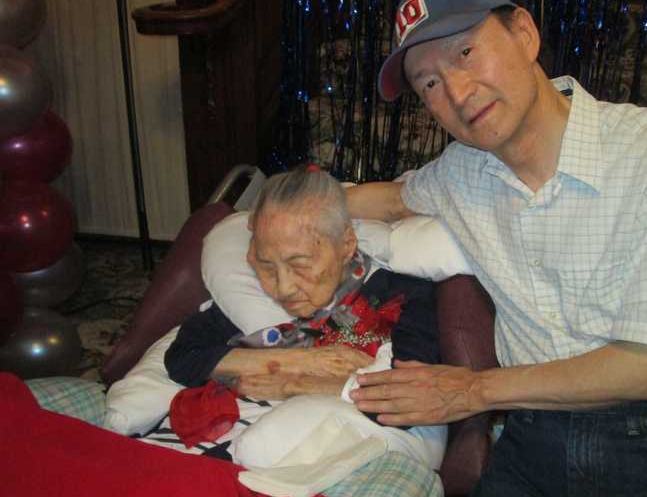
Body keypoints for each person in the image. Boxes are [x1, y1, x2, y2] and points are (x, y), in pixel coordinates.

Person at [345, 0, 647, 497]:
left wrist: (472, 392)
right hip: (532, 443)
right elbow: (392, 200)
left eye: (466, 52)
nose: (455, 92)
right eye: (428, 84)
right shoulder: (463, 172)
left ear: (524, 33)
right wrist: (288, 204)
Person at [163, 166, 445, 468]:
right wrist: (301, 360)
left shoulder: (401, 296)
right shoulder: (252, 299)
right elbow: (183, 358)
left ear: (347, 245)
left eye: (300, 265)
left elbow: (406, 397)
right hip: (231, 445)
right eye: (267, 267)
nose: (283, 289)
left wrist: (292, 384)